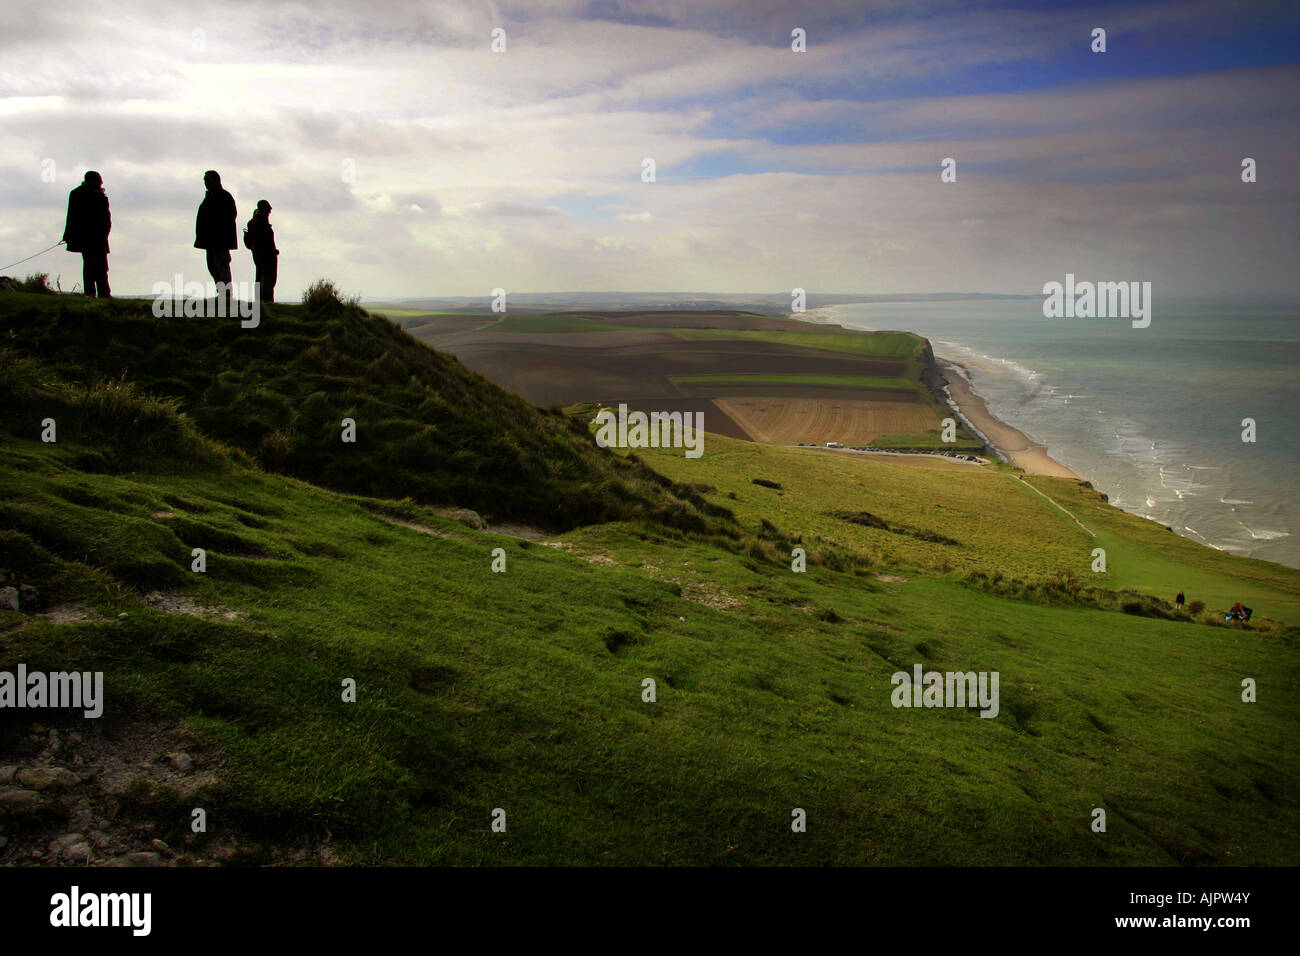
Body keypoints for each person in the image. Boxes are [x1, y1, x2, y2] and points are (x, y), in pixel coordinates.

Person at [62, 171, 111, 297]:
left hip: (92, 237)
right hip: (92, 238)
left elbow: (71, 216)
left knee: (94, 266)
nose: (101, 183)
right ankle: (99, 294)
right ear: (92, 180)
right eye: (99, 180)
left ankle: (95, 293)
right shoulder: (94, 195)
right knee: (96, 266)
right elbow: (72, 216)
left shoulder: (78, 194)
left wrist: (67, 235)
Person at [194, 170, 237, 296]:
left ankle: (227, 294)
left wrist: (217, 230)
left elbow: (230, 216)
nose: (206, 183)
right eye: (205, 180)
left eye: (208, 180)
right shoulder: (210, 196)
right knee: (213, 267)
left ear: (216, 180)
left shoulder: (224, 196)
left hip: (220, 240)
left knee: (222, 266)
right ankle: (222, 293)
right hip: (209, 241)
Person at [244, 199, 278, 303]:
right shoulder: (261, 223)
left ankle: (260, 301)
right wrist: (273, 251)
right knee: (268, 279)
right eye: (268, 210)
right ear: (264, 210)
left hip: (257, 254)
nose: (269, 212)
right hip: (266, 255)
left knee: (259, 277)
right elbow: (265, 241)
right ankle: (267, 301)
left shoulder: (252, 222)